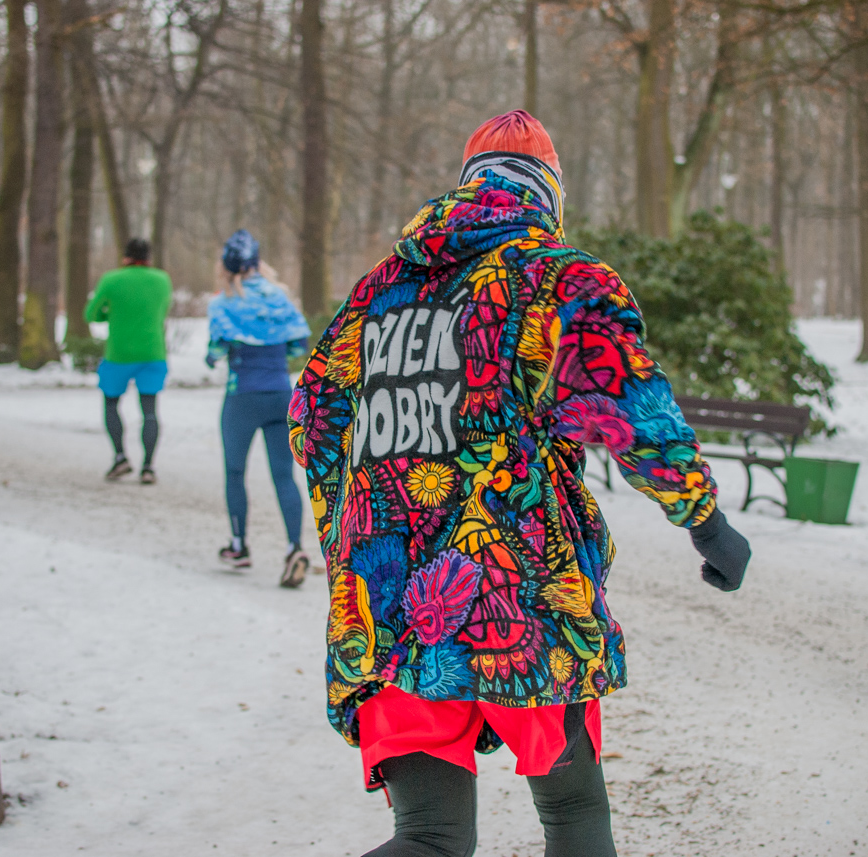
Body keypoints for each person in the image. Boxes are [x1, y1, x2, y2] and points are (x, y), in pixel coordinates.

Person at [287, 110, 752, 856]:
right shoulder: (556, 278)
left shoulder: (375, 295)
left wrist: (358, 541)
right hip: (524, 598)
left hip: (389, 606)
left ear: (468, 186)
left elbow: (314, 418)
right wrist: (705, 522)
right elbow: (629, 405)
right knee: (573, 816)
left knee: (430, 837)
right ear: (548, 194)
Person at [206, 229, 311, 588]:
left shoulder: (223, 304)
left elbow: (214, 351)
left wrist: (221, 353)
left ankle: (239, 545)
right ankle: (295, 548)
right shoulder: (279, 297)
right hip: (281, 394)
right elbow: (299, 344)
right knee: (284, 475)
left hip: (242, 396)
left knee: (235, 471)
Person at [84, 237, 172, 484]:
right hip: (153, 352)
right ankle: (148, 467)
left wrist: (110, 314)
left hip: (118, 354)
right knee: (150, 410)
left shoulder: (112, 279)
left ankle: (120, 457)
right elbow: (163, 310)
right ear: (148, 258)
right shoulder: (162, 280)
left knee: (111, 403)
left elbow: (91, 314)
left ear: (126, 257)